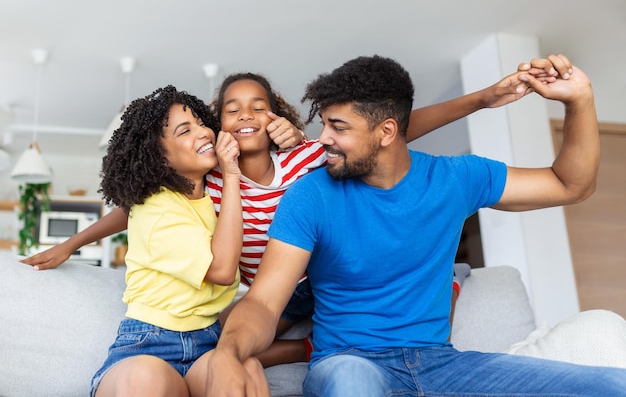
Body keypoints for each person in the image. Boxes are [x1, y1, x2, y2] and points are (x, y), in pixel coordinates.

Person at [21, 66, 547, 366]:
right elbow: (136, 206)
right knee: (229, 324)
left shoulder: (305, 156)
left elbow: (395, 127)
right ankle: (300, 347)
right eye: (232, 107)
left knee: (389, 282)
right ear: (216, 123)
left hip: (332, 277)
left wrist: (481, 100)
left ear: (276, 114)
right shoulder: (213, 183)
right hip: (279, 288)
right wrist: (73, 242)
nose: (246, 113)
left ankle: (437, 290)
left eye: (259, 104)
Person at [205, 54, 626, 397]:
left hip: (441, 365)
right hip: (350, 363)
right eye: (324, 124)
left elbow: (570, 184)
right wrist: (228, 353)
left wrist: (579, 100)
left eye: (338, 127)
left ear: (387, 132)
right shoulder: (309, 196)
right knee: (351, 382)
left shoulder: (455, 179)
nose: (322, 140)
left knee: (611, 384)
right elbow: (262, 303)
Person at [87, 85, 269, 397]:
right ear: (160, 157)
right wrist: (231, 175)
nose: (204, 133)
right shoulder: (155, 206)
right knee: (146, 379)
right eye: (185, 130)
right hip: (148, 343)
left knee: (247, 370)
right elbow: (223, 271)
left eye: (202, 123)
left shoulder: (215, 195)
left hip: (208, 340)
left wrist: (290, 133)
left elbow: (124, 212)